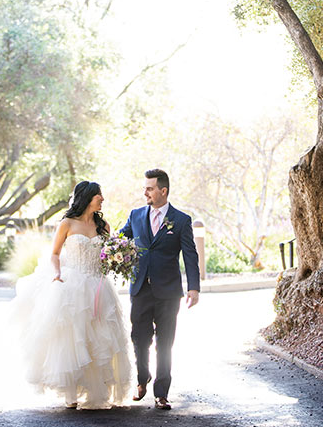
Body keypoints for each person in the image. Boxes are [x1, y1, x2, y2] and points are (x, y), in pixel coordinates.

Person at [11, 181, 132, 409]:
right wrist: (57, 273)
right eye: (99, 195)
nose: (102, 199)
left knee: (100, 337)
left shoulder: (103, 225)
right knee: (73, 337)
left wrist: (118, 259)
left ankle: (97, 389)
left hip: (98, 285)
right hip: (73, 282)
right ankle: (71, 391)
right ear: (87, 197)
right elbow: (55, 254)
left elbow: (110, 252)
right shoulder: (66, 224)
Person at [119, 168, 200, 411]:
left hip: (168, 292)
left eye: (150, 188)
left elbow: (190, 255)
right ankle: (142, 378)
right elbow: (120, 241)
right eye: (145, 188)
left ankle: (161, 393)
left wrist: (193, 288)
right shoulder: (135, 215)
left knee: (165, 343)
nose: (145, 192)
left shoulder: (181, 220)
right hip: (140, 288)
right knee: (139, 339)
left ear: (163, 191)